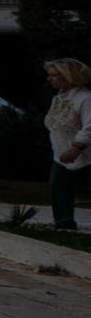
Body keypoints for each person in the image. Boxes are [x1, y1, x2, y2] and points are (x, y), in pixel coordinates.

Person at [47, 58, 91, 231]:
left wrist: (76, 148)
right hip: (61, 155)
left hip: (83, 155)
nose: (49, 79)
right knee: (59, 190)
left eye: (54, 75)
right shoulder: (60, 98)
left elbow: (90, 126)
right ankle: (63, 225)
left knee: (64, 188)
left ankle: (64, 225)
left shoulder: (85, 99)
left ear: (69, 76)